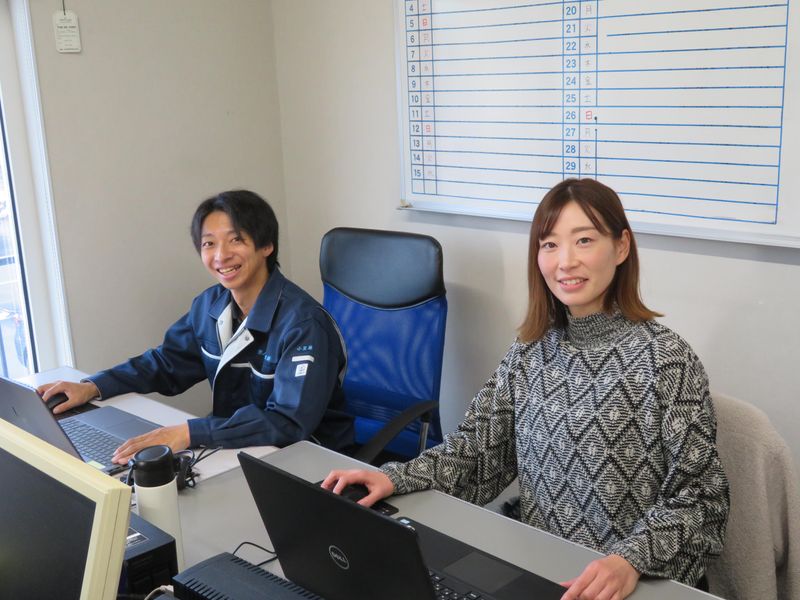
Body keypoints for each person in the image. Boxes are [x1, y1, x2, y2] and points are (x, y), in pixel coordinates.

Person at [322, 178, 729, 600]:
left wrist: (630, 561)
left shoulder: (666, 359)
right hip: (539, 570)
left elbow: (703, 498)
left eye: (584, 240)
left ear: (621, 247)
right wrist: (392, 477)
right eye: (549, 244)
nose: (565, 261)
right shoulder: (531, 349)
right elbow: (477, 451)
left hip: (625, 584)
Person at [39, 190, 354, 465]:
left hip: (311, 462)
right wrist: (93, 386)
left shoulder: (303, 323)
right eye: (209, 243)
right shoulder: (209, 306)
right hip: (240, 449)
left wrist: (190, 433)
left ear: (266, 246)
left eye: (236, 240)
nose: (221, 255)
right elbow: (165, 363)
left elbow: (288, 422)